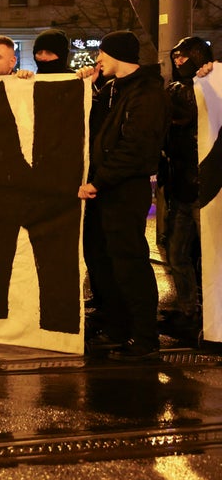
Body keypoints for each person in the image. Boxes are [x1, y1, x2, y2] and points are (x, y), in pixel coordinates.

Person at [77, 30, 169, 361]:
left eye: (102, 53)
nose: (98, 59)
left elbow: (137, 149)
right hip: (104, 189)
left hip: (124, 190)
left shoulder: (147, 94)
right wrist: (85, 86)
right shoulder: (113, 90)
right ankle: (117, 327)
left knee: (129, 263)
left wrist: (97, 182)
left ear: (118, 55)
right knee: (103, 260)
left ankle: (145, 337)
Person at [160, 36, 214, 345]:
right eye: (176, 57)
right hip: (180, 186)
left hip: (204, 187)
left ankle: (210, 314)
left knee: (207, 255)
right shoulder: (174, 90)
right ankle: (187, 310)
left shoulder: (210, 85)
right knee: (177, 253)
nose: (179, 62)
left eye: (185, 57)